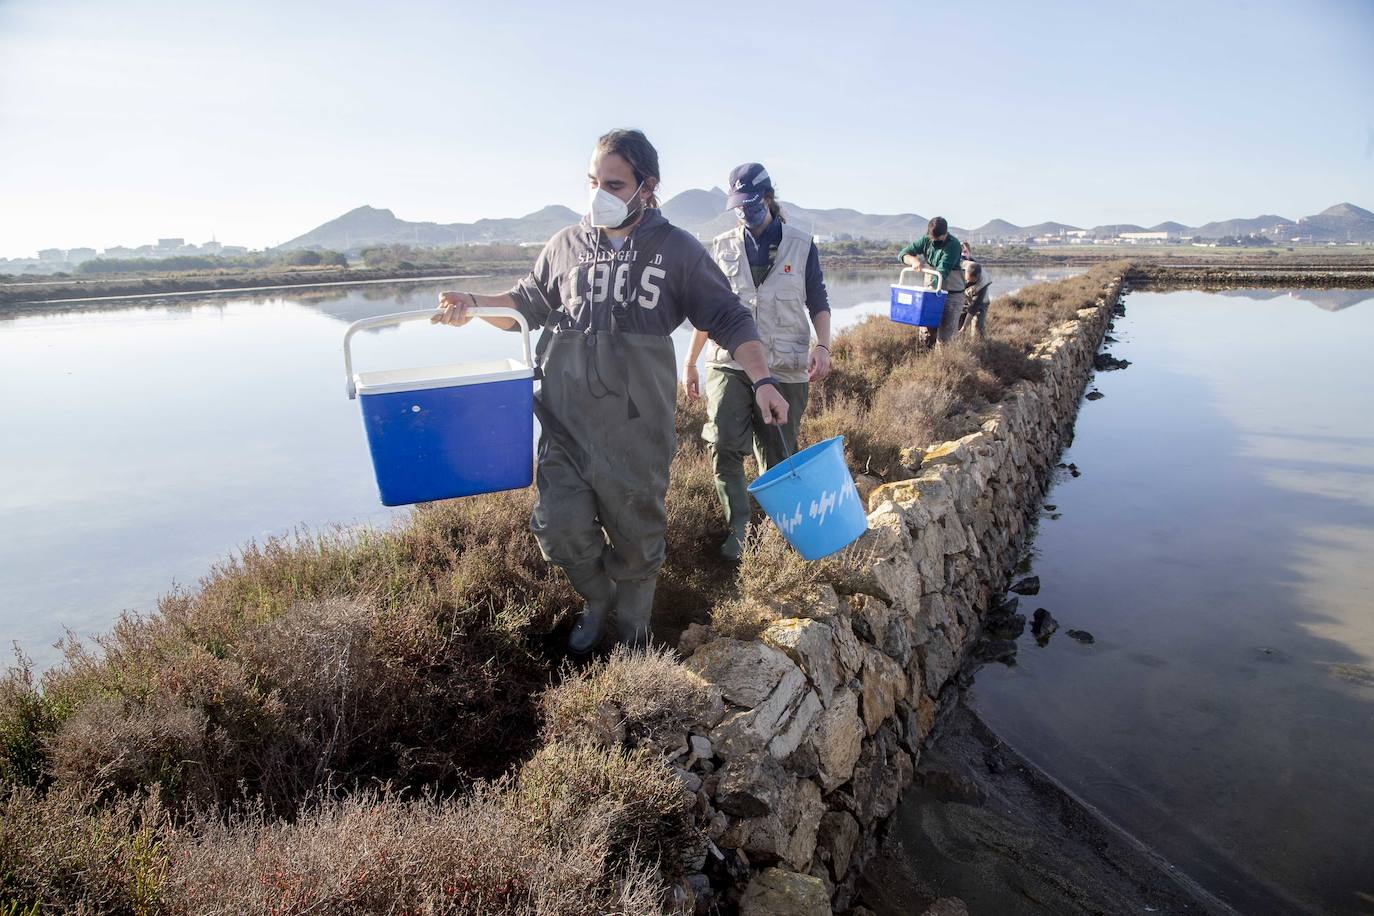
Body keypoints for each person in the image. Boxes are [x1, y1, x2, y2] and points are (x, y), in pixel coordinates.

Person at [432, 129, 788, 657]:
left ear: (648, 186)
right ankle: (597, 598)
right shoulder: (566, 244)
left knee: (638, 540)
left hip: (634, 432)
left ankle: (634, 628)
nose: (599, 192)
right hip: (565, 426)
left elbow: (730, 316)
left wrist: (761, 379)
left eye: (613, 182)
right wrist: (475, 303)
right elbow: (525, 305)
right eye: (593, 180)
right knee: (557, 530)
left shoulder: (677, 250)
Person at [682, 163, 832, 560]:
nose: (743, 212)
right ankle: (741, 530)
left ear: (767, 197)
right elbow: (709, 309)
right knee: (724, 446)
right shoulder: (723, 246)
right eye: (736, 206)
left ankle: (778, 535)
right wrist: (691, 361)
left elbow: (818, 301)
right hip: (729, 362)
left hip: (785, 367)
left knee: (778, 455)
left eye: (749, 203)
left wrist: (824, 346)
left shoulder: (801, 245)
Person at [897, 216, 966, 346]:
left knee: (945, 338)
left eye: (938, 238)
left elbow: (941, 271)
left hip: (951, 294)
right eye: (932, 238)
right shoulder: (926, 240)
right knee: (926, 334)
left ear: (945, 233)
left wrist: (925, 295)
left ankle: (945, 364)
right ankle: (925, 360)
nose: (935, 241)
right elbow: (903, 253)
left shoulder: (953, 245)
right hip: (931, 293)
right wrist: (913, 260)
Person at [959, 241, 992, 339]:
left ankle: (979, 348)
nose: (963, 254)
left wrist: (964, 328)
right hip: (964, 299)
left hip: (980, 303)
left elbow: (973, 308)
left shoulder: (982, 282)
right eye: (962, 252)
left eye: (965, 251)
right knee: (957, 325)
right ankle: (961, 345)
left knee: (977, 329)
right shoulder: (960, 264)